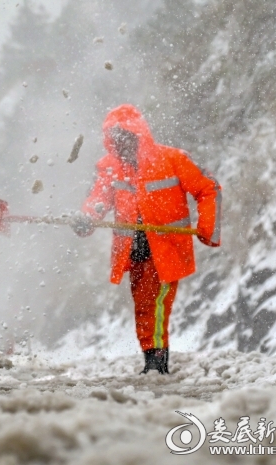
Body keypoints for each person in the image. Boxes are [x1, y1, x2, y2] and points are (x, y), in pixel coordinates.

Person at [72, 104, 221, 375]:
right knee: (144, 306)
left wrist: (207, 226)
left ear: (139, 134)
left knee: (157, 303)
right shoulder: (109, 168)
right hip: (133, 250)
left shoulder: (172, 159)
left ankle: (156, 363)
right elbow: (97, 200)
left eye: (126, 138)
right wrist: (86, 218)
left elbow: (207, 188)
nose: (121, 146)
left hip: (167, 250)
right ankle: (152, 360)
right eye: (116, 141)